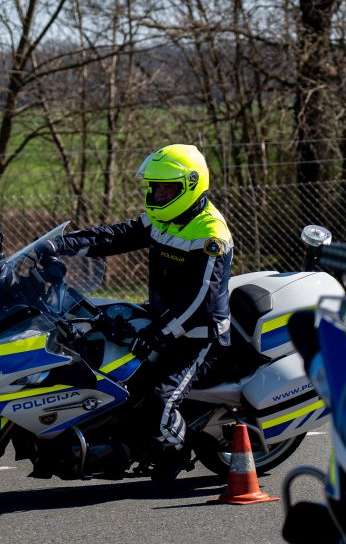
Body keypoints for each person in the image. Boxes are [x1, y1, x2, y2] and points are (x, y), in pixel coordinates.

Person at [39, 143, 233, 479]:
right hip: (162, 320)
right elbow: (114, 236)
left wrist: (159, 334)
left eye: (166, 188)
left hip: (198, 337)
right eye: (154, 187)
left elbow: (200, 303)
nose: (157, 194)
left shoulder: (210, 234)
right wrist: (60, 245)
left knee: (160, 404)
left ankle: (176, 450)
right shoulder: (164, 218)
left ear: (190, 185)